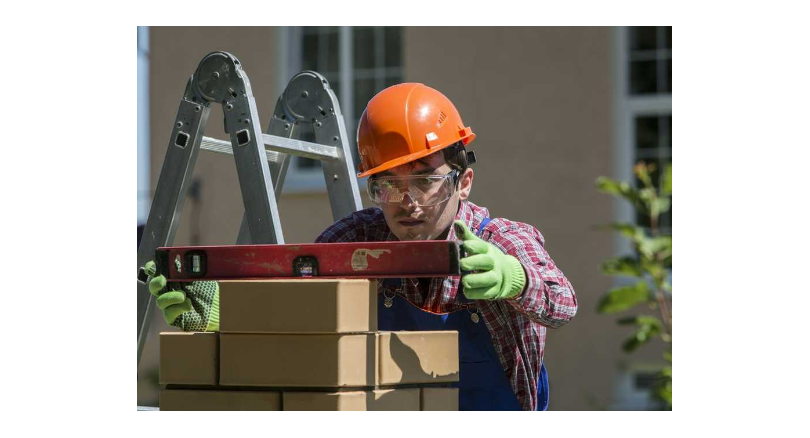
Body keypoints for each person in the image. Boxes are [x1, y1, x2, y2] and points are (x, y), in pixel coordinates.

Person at [144, 83, 577, 411]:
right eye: (389, 184)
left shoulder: (502, 240)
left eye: (425, 181)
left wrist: (515, 279)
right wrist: (225, 314)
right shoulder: (355, 241)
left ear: (463, 181)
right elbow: (292, 310)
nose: (407, 202)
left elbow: (563, 302)